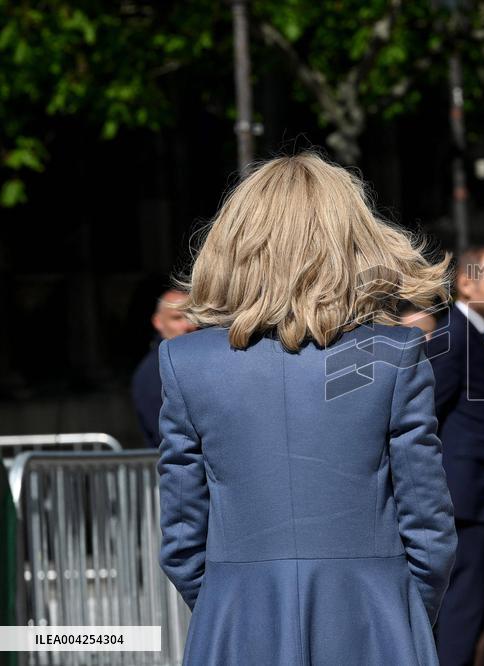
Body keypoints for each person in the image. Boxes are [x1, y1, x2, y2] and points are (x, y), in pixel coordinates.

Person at [157, 153, 457, 665]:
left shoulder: (187, 363)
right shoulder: (393, 355)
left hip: (236, 620)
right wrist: (397, 612)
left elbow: (183, 538)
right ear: (351, 244)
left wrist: (233, 600)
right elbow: (428, 530)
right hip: (373, 617)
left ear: (234, 246)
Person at [427, 246, 484, 666]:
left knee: (471, 614)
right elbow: (424, 413)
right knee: (460, 617)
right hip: (464, 503)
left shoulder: (475, 336)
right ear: (466, 283)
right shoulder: (453, 337)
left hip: (482, 499)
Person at [131, 289, 196, 448]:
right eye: (177, 317)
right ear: (158, 322)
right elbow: (169, 436)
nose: (187, 325)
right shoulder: (154, 371)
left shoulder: (190, 360)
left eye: (192, 316)